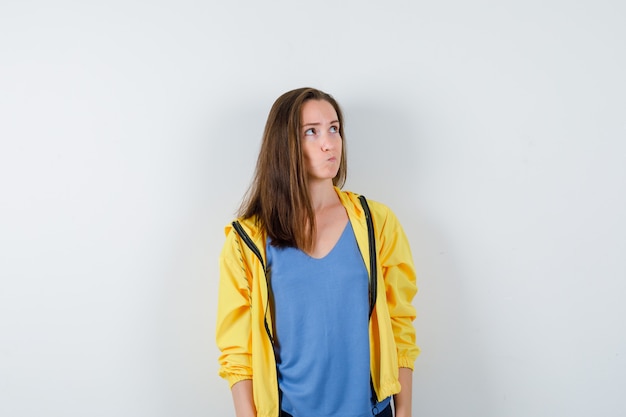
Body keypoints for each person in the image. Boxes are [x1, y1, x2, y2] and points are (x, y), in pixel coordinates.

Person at [216, 87, 419, 417]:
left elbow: (400, 325)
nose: (329, 143)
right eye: (311, 132)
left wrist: (405, 412)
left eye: (334, 128)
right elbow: (238, 353)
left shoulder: (376, 223)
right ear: (284, 145)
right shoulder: (247, 240)